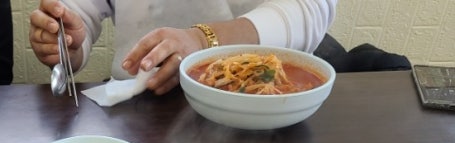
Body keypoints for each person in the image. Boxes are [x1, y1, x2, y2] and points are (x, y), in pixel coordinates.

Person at [29, 0, 337, 95]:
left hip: (266, 104)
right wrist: (66, 42)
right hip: (142, 104)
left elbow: (310, 9)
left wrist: (204, 41)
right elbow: (82, 9)